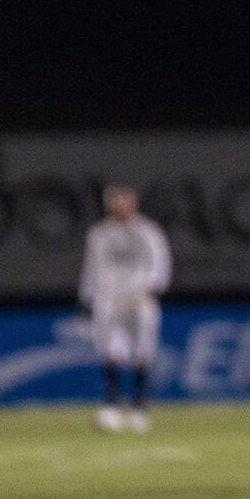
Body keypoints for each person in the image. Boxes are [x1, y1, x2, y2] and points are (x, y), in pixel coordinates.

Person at [78, 185, 171, 433]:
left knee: (142, 351)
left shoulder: (148, 231)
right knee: (110, 351)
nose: (120, 207)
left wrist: (153, 287)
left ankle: (139, 407)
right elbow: (91, 268)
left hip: (139, 299)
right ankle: (111, 406)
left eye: (124, 201)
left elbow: (160, 261)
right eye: (115, 202)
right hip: (108, 299)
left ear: (133, 204)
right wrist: (86, 299)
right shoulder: (99, 233)